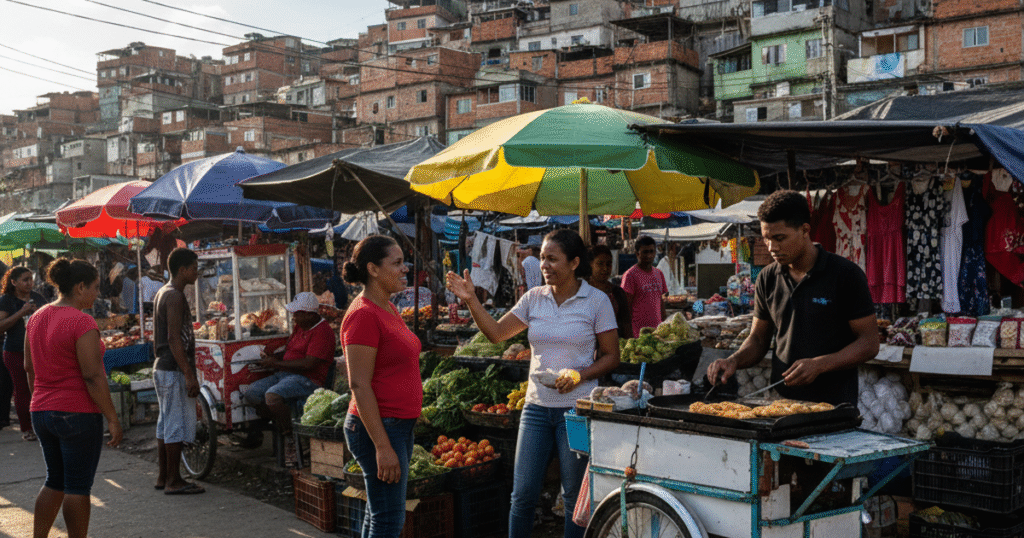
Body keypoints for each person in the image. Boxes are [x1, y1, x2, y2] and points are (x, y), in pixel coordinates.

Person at [447, 229, 619, 538]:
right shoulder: (533, 298)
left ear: (574, 262)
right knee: (522, 495)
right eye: (542, 258)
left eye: (552, 259)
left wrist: (579, 375)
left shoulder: (597, 301)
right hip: (536, 409)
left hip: (576, 412)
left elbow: (612, 356)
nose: (544, 265)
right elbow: (496, 334)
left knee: (572, 498)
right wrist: (471, 300)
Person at [707, 190, 879, 405]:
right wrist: (734, 360)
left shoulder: (845, 275)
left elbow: (869, 343)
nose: (772, 247)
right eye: (767, 239)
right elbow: (759, 339)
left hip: (833, 405)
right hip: (781, 404)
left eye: (780, 238)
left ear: (805, 230)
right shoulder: (767, 278)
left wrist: (820, 364)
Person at [24, 258, 123, 538]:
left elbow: (29, 368)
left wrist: (40, 401)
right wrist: (112, 418)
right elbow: (92, 375)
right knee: (77, 486)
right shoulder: (82, 321)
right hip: (77, 413)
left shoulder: (36, 317)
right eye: (95, 287)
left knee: (54, 480)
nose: (97, 293)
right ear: (80, 287)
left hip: (42, 410)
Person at [340, 235, 422, 538]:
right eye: (397, 263)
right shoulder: (363, 314)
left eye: (404, 262)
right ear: (373, 269)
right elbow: (359, 384)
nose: (405, 269)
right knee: (388, 521)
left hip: (396, 425)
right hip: (379, 428)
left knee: (379, 517)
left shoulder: (386, 307)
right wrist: (383, 447)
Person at [243, 291, 335, 464]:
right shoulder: (300, 326)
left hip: (307, 379)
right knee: (251, 393)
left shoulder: (323, 332)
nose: (294, 317)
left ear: (309, 315)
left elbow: (308, 364)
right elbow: (290, 352)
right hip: (286, 374)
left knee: (272, 396)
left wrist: (276, 363)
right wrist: (272, 358)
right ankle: (282, 422)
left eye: (297, 314)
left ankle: (290, 435)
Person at [151, 248, 204, 495]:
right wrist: (189, 373)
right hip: (172, 368)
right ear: (182, 270)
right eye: (193, 268)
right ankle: (174, 480)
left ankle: (164, 476)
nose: (196, 273)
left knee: (165, 423)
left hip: (164, 367)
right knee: (174, 424)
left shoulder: (164, 291)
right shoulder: (174, 296)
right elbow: (173, 338)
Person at [0, 267, 47, 441]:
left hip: (39, 350)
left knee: (40, 388)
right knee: (22, 390)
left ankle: (42, 425)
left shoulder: (38, 297)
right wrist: (21, 313)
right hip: (15, 351)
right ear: (13, 282)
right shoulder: (7, 300)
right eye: (25, 280)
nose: (29, 283)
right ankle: (27, 428)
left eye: (30, 279)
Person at [621, 235, 668, 337]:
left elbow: (660, 301)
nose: (649, 255)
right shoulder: (630, 275)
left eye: (652, 251)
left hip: (657, 333)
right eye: (645, 252)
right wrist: (629, 335)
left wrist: (664, 323)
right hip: (638, 335)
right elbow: (625, 309)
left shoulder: (659, 274)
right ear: (637, 253)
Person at [587, 245, 632, 339]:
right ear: (590, 264)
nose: (605, 268)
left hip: (614, 344)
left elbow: (626, 324)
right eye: (600, 264)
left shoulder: (618, 293)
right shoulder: (580, 291)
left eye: (609, 264)